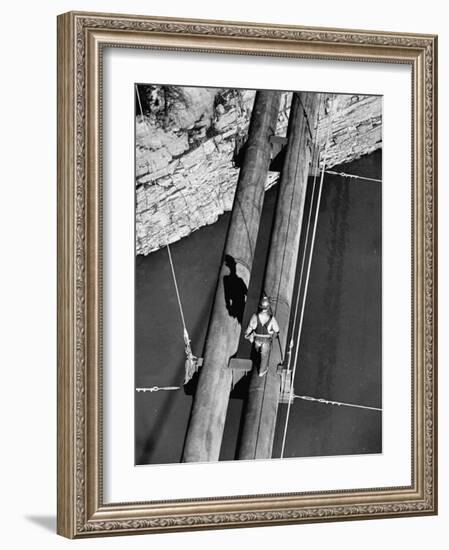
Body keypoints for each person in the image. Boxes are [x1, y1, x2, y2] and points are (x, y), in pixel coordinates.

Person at [244, 296, 280, 376]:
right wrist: (276, 333)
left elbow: (250, 327)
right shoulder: (271, 318)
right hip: (266, 341)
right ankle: (262, 371)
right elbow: (277, 329)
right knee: (264, 356)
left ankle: (257, 361)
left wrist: (247, 333)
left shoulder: (255, 316)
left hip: (257, 340)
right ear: (268, 307)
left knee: (257, 353)